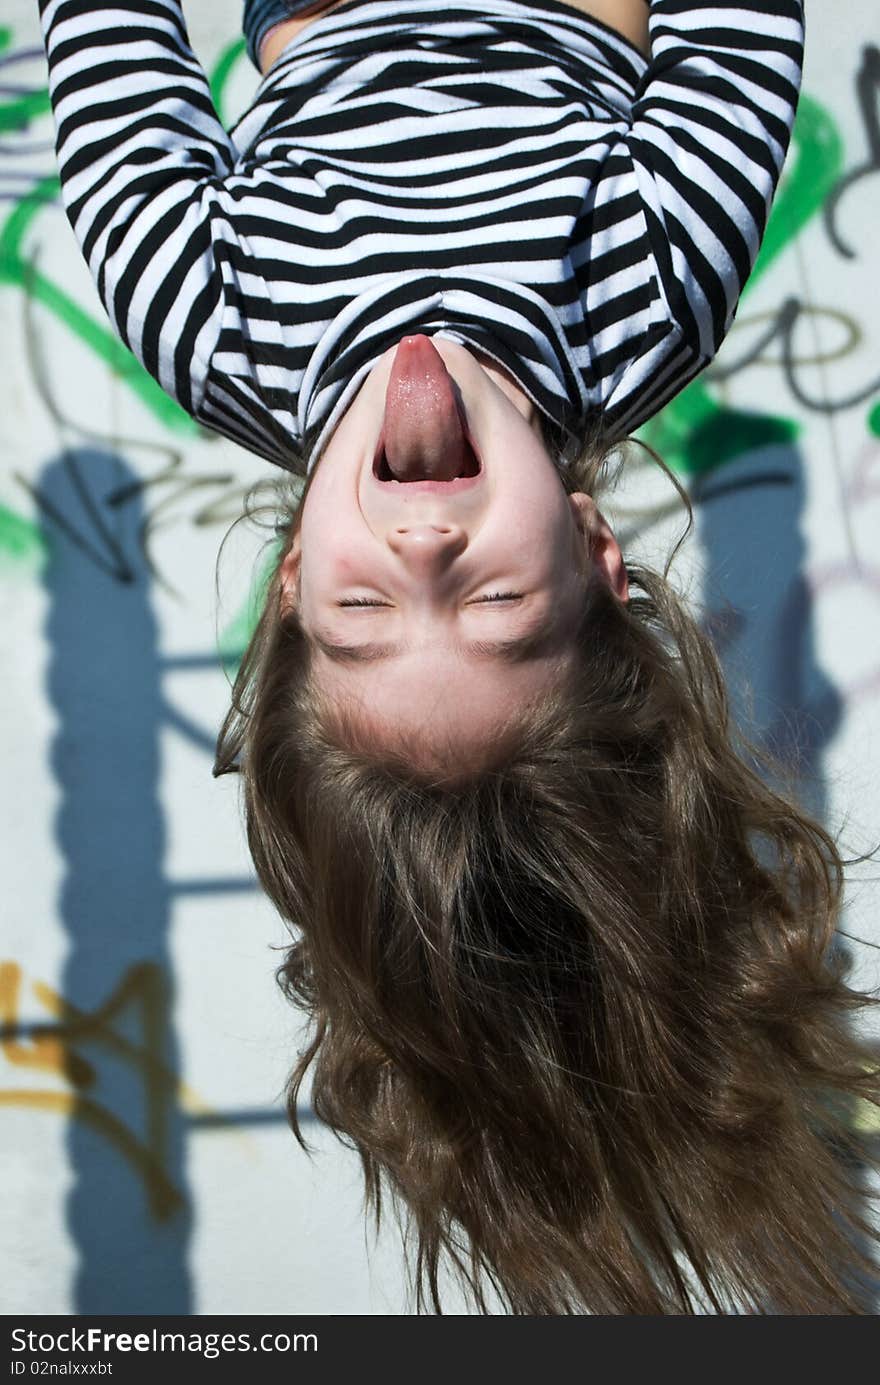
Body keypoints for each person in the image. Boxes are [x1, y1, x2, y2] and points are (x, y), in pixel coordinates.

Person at [39, 0, 880, 1313]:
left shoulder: (212, 325)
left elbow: (105, 42)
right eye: (494, 599)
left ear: (294, 587)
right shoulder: (653, 294)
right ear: (599, 550)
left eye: (366, 613)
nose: (424, 538)